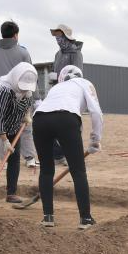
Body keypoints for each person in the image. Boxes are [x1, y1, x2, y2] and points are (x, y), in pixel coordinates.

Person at [32, 65, 103, 229]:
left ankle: (48, 217)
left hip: (40, 119)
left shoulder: (56, 88)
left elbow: (55, 119)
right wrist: (95, 140)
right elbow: (96, 112)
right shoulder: (85, 83)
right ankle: (85, 219)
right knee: (78, 170)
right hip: (66, 118)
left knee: (46, 170)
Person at [0, 62, 36, 203]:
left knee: (14, 157)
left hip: (13, 125)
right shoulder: (3, 89)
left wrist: (27, 115)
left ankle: (11, 193)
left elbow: (28, 104)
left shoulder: (28, 90)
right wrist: (4, 140)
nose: (24, 90)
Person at [0, 20, 33, 173]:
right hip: (20, 97)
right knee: (23, 130)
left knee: (0, 128)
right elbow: (30, 76)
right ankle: (30, 157)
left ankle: (3, 160)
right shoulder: (23, 52)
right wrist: (33, 101)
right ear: (16, 35)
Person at [48, 24, 85, 167]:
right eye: (56, 36)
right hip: (56, 92)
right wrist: (54, 78)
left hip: (70, 95)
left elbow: (77, 75)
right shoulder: (58, 54)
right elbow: (54, 69)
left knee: (70, 127)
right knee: (55, 125)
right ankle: (58, 156)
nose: (57, 39)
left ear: (66, 37)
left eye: (59, 36)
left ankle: (72, 157)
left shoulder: (76, 54)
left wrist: (60, 77)